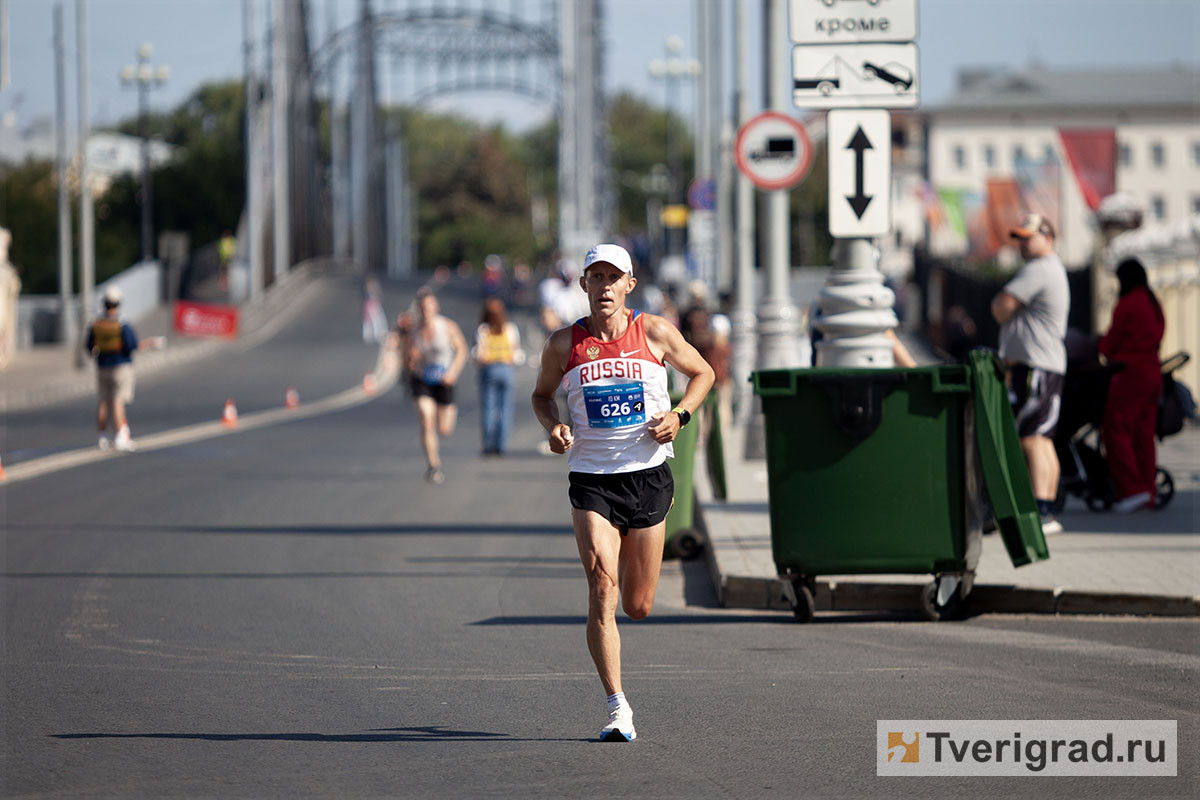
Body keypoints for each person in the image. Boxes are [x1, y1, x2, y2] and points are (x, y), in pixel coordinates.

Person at [531, 243, 714, 742]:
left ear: (630, 285)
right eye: (596, 277)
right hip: (592, 479)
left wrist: (680, 415)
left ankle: (631, 587)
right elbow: (542, 396)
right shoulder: (563, 344)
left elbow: (704, 373)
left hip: (647, 477)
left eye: (614, 278)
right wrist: (554, 428)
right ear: (584, 285)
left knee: (638, 605)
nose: (605, 286)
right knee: (601, 585)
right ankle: (617, 706)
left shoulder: (654, 332)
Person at [991, 213, 1070, 534]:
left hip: (1036, 365)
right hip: (1046, 364)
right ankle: (1046, 511)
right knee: (1043, 440)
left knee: (1032, 440)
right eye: (1020, 238)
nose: (1022, 244)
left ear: (1047, 238)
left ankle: (1040, 514)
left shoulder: (1039, 269)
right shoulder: (1052, 268)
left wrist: (1008, 311)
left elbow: (1001, 307)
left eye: (1028, 238)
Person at [1099, 257, 1165, 512]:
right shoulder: (1152, 301)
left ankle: (1131, 490)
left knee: (1116, 429)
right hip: (1153, 371)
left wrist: (1101, 347)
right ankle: (1148, 491)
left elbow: (1112, 339)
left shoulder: (1127, 303)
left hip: (1130, 373)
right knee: (1144, 436)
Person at [400, 287, 468, 484]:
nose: (426, 311)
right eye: (422, 307)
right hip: (422, 379)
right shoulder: (413, 331)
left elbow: (462, 349)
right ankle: (433, 465)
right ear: (418, 309)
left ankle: (442, 429)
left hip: (444, 380)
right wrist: (410, 360)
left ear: (436, 307)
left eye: (429, 307)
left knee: (444, 429)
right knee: (426, 419)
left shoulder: (447, 326)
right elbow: (406, 357)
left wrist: (453, 372)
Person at [85, 286, 164, 452]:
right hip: (120, 366)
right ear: (118, 303)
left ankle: (102, 437)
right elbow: (132, 346)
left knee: (103, 402)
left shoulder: (96, 323)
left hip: (102, 366)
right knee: (118, 401)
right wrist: (152, 343)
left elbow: (89, 346)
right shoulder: (122, 323)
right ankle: (121, 436)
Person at [474, 297, 524, 456]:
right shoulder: (510, 329)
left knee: (488, 408)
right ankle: (501, 445)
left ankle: (489, 445)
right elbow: (516, 352)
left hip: (489, 369)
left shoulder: (483, 330)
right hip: (506, 369)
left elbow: (479, 354)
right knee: (505, 408)